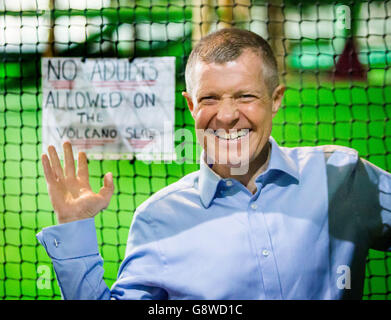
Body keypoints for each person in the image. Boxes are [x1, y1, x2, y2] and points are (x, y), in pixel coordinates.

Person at [37, 28, 391, 300]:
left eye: (245, 96)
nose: (226, 116)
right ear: (191, 105)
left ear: (276, 99)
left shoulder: (341, 176)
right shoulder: (158, 219)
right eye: (209, 99)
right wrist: (75, 226)